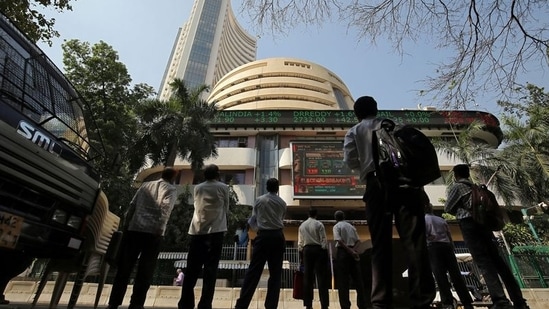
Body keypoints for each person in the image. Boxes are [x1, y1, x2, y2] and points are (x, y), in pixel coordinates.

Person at [343, 95, 435, 309]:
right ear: (376, 109)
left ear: (357, 114)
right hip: (406, 186)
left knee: (380, 243)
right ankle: (421, 299)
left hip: (376, 186)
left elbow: (350, 161)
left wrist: (367, 168)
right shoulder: (395, 126)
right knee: (414, 242)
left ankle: (380, 302)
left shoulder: (354, 132)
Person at [445, 164, 530, 309]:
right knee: (499, 262)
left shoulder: (458, 187)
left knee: (484, 263)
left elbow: (447, 208)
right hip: (484, 225)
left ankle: (500, 301)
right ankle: (519, 300)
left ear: (456, 175)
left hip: (469, 225)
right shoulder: (476, 187)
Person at [107, 167, 178, 309]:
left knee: (124, 268)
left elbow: (132, 206)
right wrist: (160, 227)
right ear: (173, 177)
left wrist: (127, 225)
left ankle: (114, 302)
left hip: (135, 229)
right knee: (145, 270)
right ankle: (136, 303)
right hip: (153, 233)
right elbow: (166, 209)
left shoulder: (145, 185)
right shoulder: (171, 189)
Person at [178, 164, 229, 309]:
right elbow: (226, 208)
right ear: (217, 174)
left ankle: (185, 303)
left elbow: (196, 205)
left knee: (192, 270)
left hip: (197, 231)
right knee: (210, 271)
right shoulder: (223, 187)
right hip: (216, 232)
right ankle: (205, 304)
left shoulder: (198, 188)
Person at [234, 178, 287, 309]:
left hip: (263, 237)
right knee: (275, 274)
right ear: (277, 189)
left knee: (253, 271)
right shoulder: (283, 203)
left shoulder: (259, 200)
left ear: (266, 187)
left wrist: (259, 229)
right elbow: (282, 219)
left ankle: (242, 304)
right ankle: (271, 306)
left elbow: (252, 220)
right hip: (277, 236)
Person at [423, 195, 473, 309]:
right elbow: (449, 236)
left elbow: (425, 236)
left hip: (433, 248)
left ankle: (448, 303)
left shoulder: (424, 220)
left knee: (440, 277)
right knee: (456, 275)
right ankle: (467, 302)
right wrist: (451, 247)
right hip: (447, 247)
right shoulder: (441, 220)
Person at [333, 210, 367, 309]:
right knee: (358, 281)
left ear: (336, 218)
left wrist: (348, 250)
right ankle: (362, 304)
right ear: (344, 216)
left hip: (343, 253)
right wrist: (353, 251)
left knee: (343, 281)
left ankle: (345, 306)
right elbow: (358, 241)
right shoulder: (351, 226)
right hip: (353, 252)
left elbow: (339, 240)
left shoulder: (337, 226)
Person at [298, 207, 330, 309]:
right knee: (322, 279)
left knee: (307, 279)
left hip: (306, 251)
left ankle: (308, 304)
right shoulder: (319, 224)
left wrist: (301, 255)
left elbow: (300, 243)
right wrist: (324, 252)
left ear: (308, 214)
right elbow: (323, 240)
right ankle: (324, 304)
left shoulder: (302, 225)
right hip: (318, 250)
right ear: (316, 214)